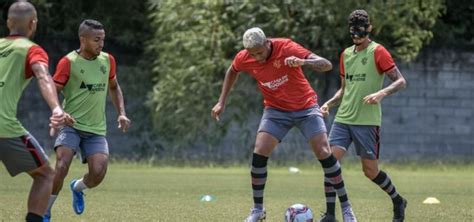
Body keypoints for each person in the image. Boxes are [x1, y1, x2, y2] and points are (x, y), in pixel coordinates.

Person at [211, 27, 357, 222]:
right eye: (253, 55)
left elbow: (326, 64)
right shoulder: (245, 57)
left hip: (306, 107)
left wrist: (303, 61)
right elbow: (232, 71)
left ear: (267, 42)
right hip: (275, 111)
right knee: (260, 151)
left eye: (260, 53)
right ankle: (257, 210)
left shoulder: (287, 47)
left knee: (324, 152)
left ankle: (347, 208)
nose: (258, 58)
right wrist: (222, 101)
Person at [320, 9, 408, 222]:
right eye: (353, 32)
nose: (356, 35)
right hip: (343, 119)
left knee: (370, 171)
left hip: (367, 122)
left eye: (360, 31)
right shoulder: (346, 54)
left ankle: (397, 200)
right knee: (330, 162)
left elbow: (400, 81)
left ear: (369, 29)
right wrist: (329, 104)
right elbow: (344, 89)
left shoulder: (378, 51)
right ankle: (330, 214)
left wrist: (381, 93)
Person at [43, 19, 131, 221]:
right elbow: (52, 90)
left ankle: (77, 187)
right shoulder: (68, 62)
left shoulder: (107, 61)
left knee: (98, 172)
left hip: (96, 128)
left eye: (103, 40)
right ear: (83, 40)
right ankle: (45, 211)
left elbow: (114, 87)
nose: (101, 44)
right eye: (96, 40)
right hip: (70, 126)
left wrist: (122, 113)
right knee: (62, 164)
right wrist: (59, 112)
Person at [0, 2, 67, 222]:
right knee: (46, 175)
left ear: (8, 23)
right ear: (33, 24)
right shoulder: (31, 49)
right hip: (3, 128)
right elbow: (43, 75)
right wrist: (56, 108)